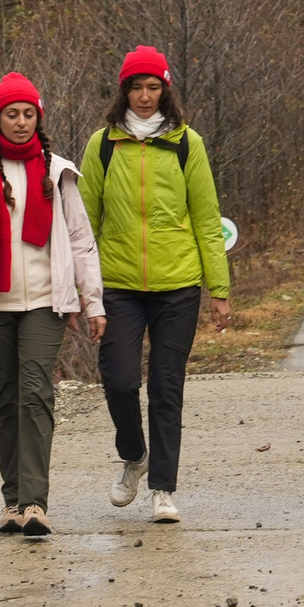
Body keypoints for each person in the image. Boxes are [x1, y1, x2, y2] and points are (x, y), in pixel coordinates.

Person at [0, 73, 108, 537]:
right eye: (13, 114)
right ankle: (12, 502)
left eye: (29, 114)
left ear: (39, 117)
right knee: (5, 399)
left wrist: (93, 303)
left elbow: (81, 242)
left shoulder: (57, 172)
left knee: (35, 393)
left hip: (46, 302)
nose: (22, 122)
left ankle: (34, 503)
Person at [77, 45, 230, 524]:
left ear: (166, 90)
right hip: (118, 283)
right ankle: (134, 456)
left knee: (166, 387)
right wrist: (83, 291)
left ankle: (163, 487)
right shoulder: (103, 144)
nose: (145, 96)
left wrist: (218, 290)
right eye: (136, 87)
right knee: (120, 381)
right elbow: (83, 223)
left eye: (153, 87)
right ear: (123, 91)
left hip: (178, 284)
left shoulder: (188, 144)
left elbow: (207, 219)